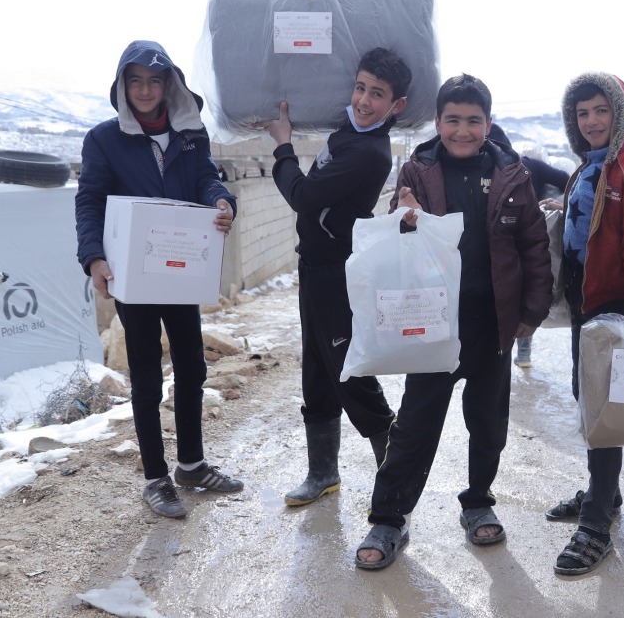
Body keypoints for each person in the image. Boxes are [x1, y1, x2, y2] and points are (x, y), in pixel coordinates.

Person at [354, 73, 552, 570]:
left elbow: (533, 245)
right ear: (438, 122)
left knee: (488, 421)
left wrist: (532, 310)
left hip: (493, 324)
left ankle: (478, 501)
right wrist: (403, 217)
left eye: (473, 121)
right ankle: (389, 518)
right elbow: (398, 237)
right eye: (453, 120)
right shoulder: (418, 170)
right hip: (435, 325)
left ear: (488, 122)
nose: (462, 131)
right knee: (415, 423)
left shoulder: (512, 173)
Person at [75, 40, 244, 519]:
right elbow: (89, 200)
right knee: (147, 376)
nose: (145, 90)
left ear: (169, 85)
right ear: (122, 86)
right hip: (136, 273)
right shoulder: (104, 140)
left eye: (154, 81)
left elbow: (207, 179)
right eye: (136, 81)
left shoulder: (189, 134)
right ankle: (155, 478)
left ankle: (191, 465)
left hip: (180, 270)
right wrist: (93, 258)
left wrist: (222, 201)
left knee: (192, 367)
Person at [259, 48, 412, 506]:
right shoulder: (348, 132)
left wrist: (283, 146)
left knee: (348, 369)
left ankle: (396, 474)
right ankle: (322, 472)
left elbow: (304, 197)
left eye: (377, 94)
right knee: (317, 368)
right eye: (360, 87)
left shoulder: (368, 152)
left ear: (397, 105)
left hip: (337, 272)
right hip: (314, 265)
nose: (364, 100)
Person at [543, 72, 624, 576]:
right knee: (587, 398)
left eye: (601, 111)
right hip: (583, 302)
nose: (591, 121)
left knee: (604, 412)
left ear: (621, 114)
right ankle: (604, 493)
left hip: (612, 305)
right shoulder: (588, 168)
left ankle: (596, 526)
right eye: (582, 113)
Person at [487, 124, 569, 368]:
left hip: (515, 238)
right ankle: (521, 352)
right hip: (530, 236)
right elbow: (565, 180)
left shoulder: (520, 166)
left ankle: (507, 351)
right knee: (526, 288)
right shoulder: (532, 165)